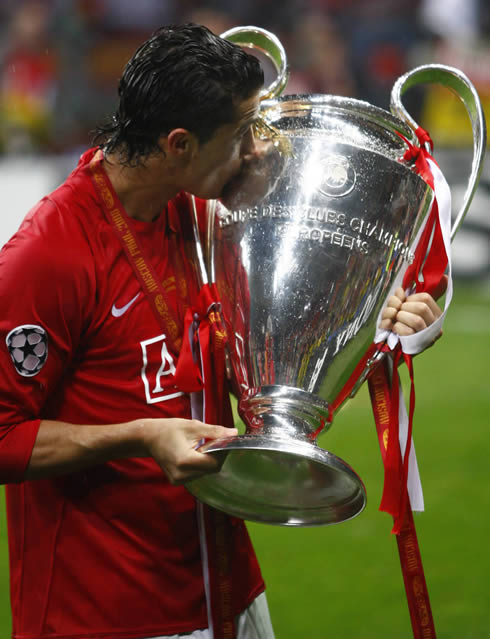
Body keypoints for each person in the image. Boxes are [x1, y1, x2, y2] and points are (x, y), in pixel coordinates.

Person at [0, 23, 444, 639]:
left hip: (226, 588)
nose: (258, 148)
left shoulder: (199, 212)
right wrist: (140, 437)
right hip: (106, 610)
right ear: (180, 143)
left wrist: (393, 321)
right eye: (241, 134)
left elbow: (306, 293)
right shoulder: (49, 255)